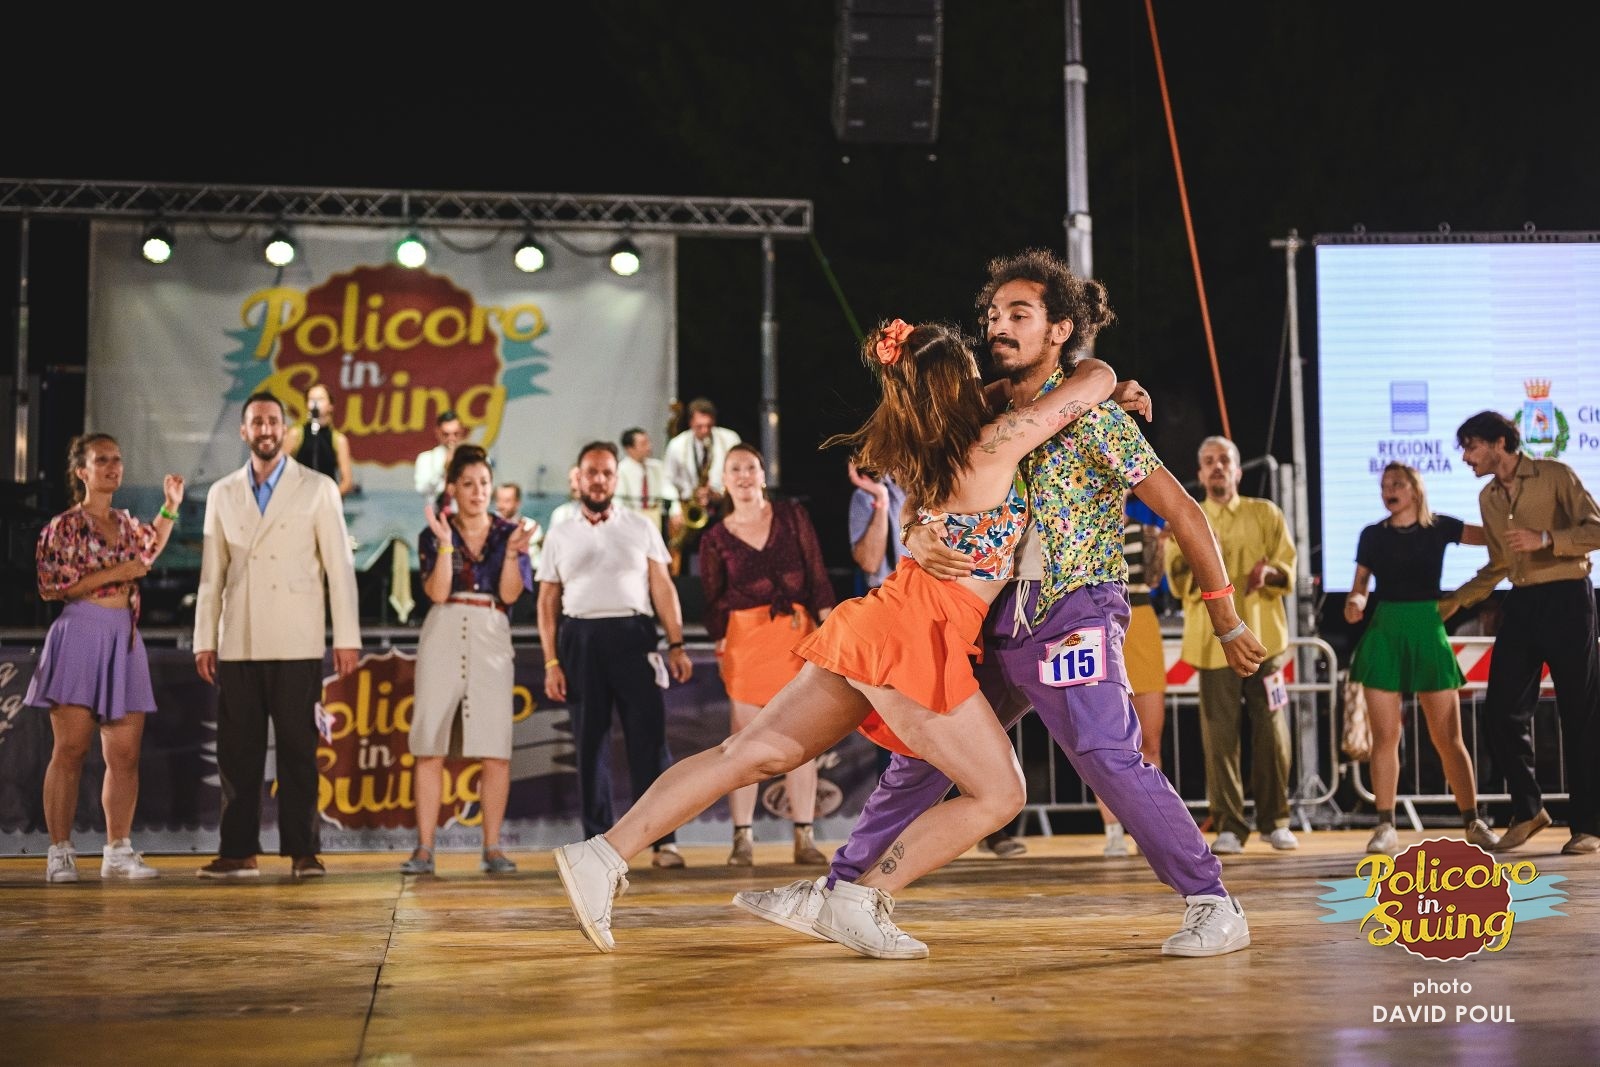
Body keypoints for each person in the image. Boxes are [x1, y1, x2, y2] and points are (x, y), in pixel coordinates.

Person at [733, 249, 1265, 960]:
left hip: (1072, 609)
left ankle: (1213, 901)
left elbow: (1185, 513)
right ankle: (840, 891)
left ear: (1059, 330)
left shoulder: (1097, 418)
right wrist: (916, 530)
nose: (998, 326)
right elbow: (923, 486)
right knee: (921, 759)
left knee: (1107, 753)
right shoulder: (984, 411)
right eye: (992, 314)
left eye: (1020, 314)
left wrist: (1226, 618)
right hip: (995, 619)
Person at [553, 314, 1119, 959]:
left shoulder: (930, 446)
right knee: (1000, 793)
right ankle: (858, 899)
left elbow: (998, 404)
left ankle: (602, 854)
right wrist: (1110, 384)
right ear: (957, 384)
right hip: (917, 635)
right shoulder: (990, 444)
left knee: (748, 753)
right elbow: (1093, 379)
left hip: (884, 620)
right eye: (969, 371)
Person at [192, 391, 362, 879]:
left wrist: (346, 637)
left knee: (298, 751)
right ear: (244, 431)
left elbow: (339, 569)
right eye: (257, 422)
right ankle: (238, 851)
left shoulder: (318, 487)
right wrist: (205, 639)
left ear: (284, 430)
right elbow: (211, 576)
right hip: (239, 637)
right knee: (237, 754)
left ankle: (304, 851)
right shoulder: (223, 492)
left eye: (272, 421)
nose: (265, 429)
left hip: (296, 637)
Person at [1440, 410, 1600, 856]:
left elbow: (1596, 530)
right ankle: (1528, 810)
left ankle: (1588, 825)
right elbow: (1499, 564)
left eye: (1471, 447)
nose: (1466, 457)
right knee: (1500, 711)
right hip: (1523, 601)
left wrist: (1547, 538)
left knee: (1580, 713)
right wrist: (1456, 600)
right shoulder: (1488, 497)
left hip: (1568, 597)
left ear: (1499, 443)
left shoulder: (1554, 475)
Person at [25, 434, 183, 883]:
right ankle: (60, 852)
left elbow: (148, 549)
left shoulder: (127, 523)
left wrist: (170, 507)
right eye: (102, 460)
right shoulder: (65, 526)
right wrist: (119, 572)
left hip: (123, 636)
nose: (113, 467)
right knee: (70, 750)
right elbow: (52, 586)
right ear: (82, 471)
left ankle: (118, 849)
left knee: (125, 754)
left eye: (117, 459)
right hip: (80, 633)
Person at [538, 441, 696, 869]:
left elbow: (662, 586)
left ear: (615, 478)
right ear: (578, 477)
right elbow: (547, 601)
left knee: (650, 741)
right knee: (589, 745)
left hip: (633, 636)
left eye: (607, 472)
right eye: (591, 472)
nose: (599, 480)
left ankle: (664, 841)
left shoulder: (640, 526)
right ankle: (597, 845)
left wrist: (676, 643)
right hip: (580, 639)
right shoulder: (560, 532)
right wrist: (551, 661)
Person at [1345, 462, 1499, 856]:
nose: (1388, 490)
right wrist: (1355, 601)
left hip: (1428, 628)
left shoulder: (1441, 527)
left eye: (1397, 483)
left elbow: (1494, 535)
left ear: (1415, 489)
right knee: (1386, 738)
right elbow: (1360, 584)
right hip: (1386, 631)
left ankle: (1473, 821)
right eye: (1384, 484)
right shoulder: (1372, 534)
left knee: (1448, 738)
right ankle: (1385, 825)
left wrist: (1472, 589)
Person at [400, 445, 535, 876]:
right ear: (453, 488)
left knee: (495, 748)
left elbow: (510, 594)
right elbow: (438, 593)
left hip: (490, 630)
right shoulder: (436, 531)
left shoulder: (508, 532)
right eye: (468, 484)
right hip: (444, 628)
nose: (478, 492)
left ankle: (492, 847)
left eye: (484, 483)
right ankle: (424, 848)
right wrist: (444, 547)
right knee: (430, 745)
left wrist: (512, 554)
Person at [700, 443, 836, 866]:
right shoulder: (714, 537)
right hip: (745, 641)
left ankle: (804, 836)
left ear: (763, 475)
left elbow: (817, 574)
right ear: (724, 481)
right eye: (734, 469)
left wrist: (830, 630)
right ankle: (742, 838)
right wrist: (721, 642)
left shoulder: (792, 516)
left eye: (750, 467)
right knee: (743, 740)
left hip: (796, 638)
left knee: (801, 737)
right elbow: (713, 599)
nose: (743, 475)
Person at [1166, 435, 1297, 855]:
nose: (1217, 466)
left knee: (1272, 731)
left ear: (1238, 471)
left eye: (1224, 459)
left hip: (1265, 642)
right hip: (1213, 646)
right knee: (1219, 739)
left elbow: (1288, 566)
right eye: (1209, 461)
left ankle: (1276, 820)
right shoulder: (1187, 517)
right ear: (1200, 473)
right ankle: (1229, 825)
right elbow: (1176, 581)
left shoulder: (1266, 513)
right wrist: (1199, 556)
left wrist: (1270, 575)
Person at [1097, 489, 1170, 858]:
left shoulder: (1146, 533)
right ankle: (1113, 829)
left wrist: (1164, 545)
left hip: (1140, 625)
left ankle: (1148, 827)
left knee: (1150, 740)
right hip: (1100, 623)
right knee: (1104, 741)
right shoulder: (1084, 531)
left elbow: (1154, 580)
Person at [663, 398, 741, 566]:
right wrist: (675, 509)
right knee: (694, 556)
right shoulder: (677, 445)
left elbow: (738, 473)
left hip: (721, 506)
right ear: (690, 423)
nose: (705, 431)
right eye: (699, 426)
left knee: (725, 552)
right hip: (689, 506)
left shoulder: (730, 439)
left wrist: (719, 492)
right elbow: (668, 479)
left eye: (708, 426)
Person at [283, 383, 354, 496]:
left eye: (320, 399)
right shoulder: (296, 434)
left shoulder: (338, 439)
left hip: (327, 500)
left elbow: (347, 482)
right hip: (300, 499)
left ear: (330, 405)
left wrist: (329, 498)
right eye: (311, 399)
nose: (315, 403)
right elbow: (279, 471)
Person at [616, 427, 682, 541]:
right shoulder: (620, 470)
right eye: (643, 444)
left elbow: (667, 488)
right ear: (629, 449)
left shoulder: (657, 467)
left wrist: (675, 510)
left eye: (648, 442)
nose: (649, 447)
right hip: (631, 521)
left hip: (654, 519)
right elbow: (618, 502)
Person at [414, 410, 466, 509]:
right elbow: (422, 489)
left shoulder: (472, 458)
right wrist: (443, 469)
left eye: (456, 434)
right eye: (446, 434)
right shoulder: (426, 459)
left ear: (462, 431)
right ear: (438, 432)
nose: (451, 439)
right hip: (437, 514)